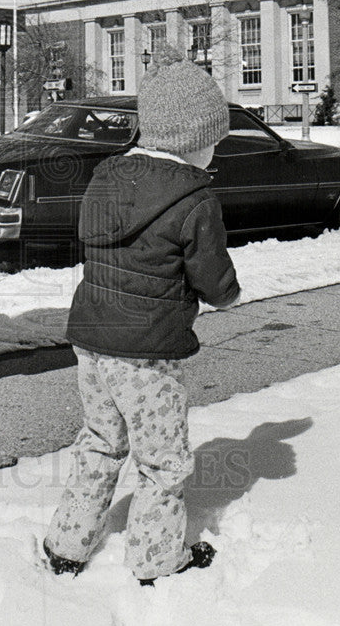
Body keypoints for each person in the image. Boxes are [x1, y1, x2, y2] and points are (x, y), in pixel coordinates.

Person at [43, 44, 241, 585]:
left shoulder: (107, 175)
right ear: (192, 139)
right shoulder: (195, 198)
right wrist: (228, 295)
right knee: (162, 459)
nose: (214, 153)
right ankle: (156, 558)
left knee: (101, 441)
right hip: (147, 353)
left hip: (91, 337)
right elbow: (212, 274)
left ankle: (67, 543)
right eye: (213, 142)